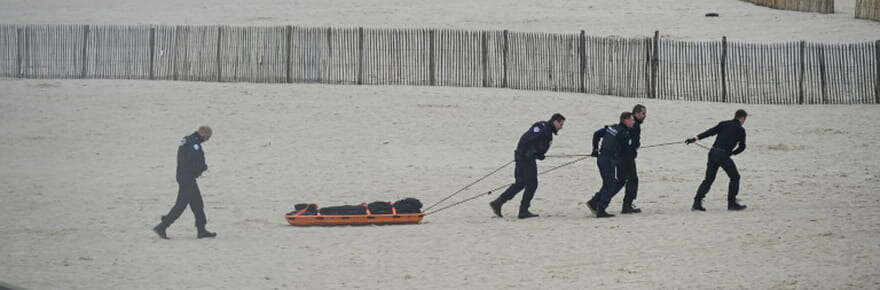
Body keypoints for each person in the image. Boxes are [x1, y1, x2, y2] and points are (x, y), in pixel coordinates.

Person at [490, 113, 565, 219]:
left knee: (520, 183)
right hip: (525, 158)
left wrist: (539, 155)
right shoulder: (542, 127)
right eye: (561, 124)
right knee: (532, 183)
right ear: (555, 121)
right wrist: (529, 153)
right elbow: (527, 140)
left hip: (525, 158)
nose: (561, 127)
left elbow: (539, 148)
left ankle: (498, 203)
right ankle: (523, 210)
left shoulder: (547, 132)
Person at [153, 126, 217, 239]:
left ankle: (201, 229)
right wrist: (202, 167)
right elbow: (193, 160)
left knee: (197, 203)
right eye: (208, 136)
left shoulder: (187, 140)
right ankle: (162, 226)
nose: (208, 139)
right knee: (181, 205)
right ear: (203, 133)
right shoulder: (194, 144)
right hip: (187, 177)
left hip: (185, 176)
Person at [685, 109, 748, 211]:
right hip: (723, 155)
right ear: (742, 118)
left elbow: (710, 132)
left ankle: (697, 202)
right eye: (745, 119)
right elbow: (742, 147)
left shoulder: (724, 124)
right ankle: (731, 204)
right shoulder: (741, 130)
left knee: (708, 179)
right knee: (735, 177)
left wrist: (694, 139)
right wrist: (732, 153)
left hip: (713, 153)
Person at [587, 112, 636, 218]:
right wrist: (633, 152)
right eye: (631, 120)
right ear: (625, 120)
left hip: (601, 158)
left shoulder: (612, 128)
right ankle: (601, 209)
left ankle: (594, 202)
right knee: (610, 183)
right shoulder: (624, 133)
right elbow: (627, 151)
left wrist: (595, 149)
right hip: (608, 160)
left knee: (609, 183)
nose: (633, 122)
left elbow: (596, 134)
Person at [618, 104, 646, 214]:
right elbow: (629, 139)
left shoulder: (635, 124)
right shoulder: (633, 124)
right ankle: (627, 205)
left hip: (624, 155)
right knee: (633, 179)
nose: (645, 116)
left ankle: (597, 201)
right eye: (643, 113)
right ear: (636, 113)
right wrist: (634, 145)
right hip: (626, 156)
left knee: (621, 181)